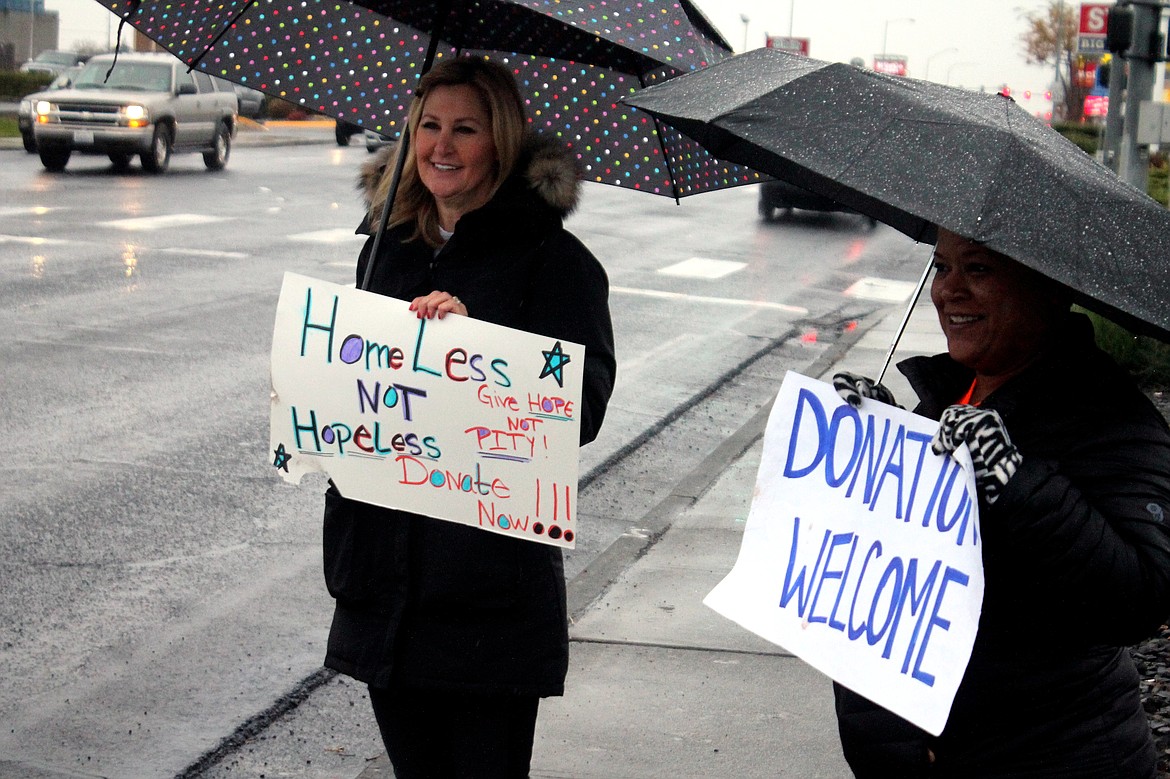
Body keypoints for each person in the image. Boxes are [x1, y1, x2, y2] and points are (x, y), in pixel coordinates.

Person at [321, 57, 617, 778]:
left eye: (465, 129)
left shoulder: (556, 261)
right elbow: (347, 388)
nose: (441, 147)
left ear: (502, 142)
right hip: (384, 584)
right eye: (428, 125)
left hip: (487, 595)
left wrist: (475, 341)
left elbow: (579, 406)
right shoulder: (383, 250)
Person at [831, 227, 1170, 777]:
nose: (947, 291)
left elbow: (1139, 598)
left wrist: (1015, 480)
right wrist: (871, 444)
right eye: (942, 267)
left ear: (1048, 284)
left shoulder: (1110, 417)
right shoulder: (953, 392)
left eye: (979, 269)